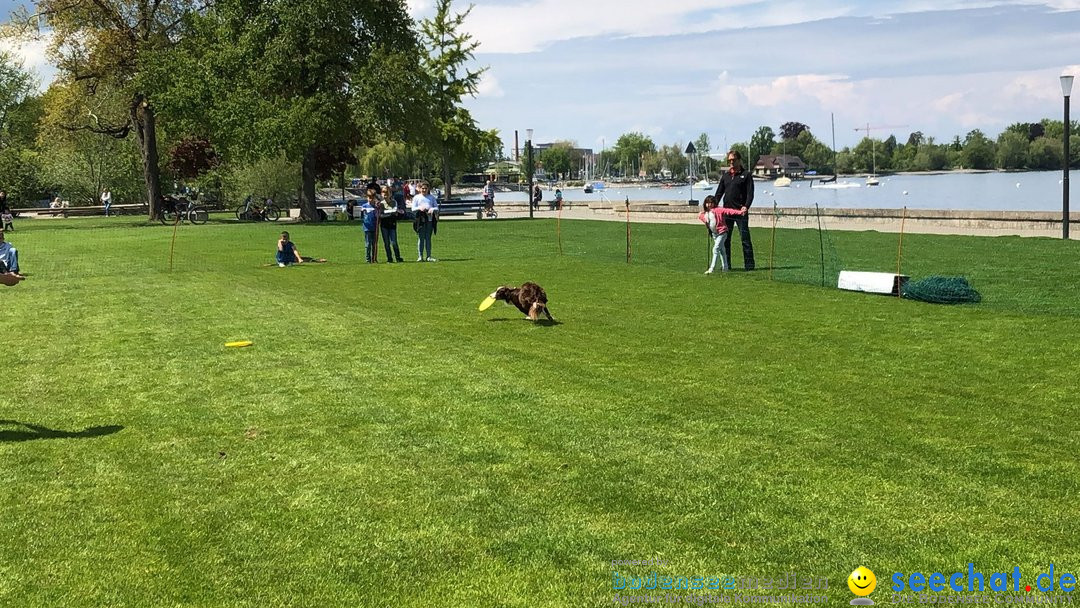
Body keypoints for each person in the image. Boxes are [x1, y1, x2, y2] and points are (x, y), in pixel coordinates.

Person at [714, 149, 755, 270]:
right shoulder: (725, 176)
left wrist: (746, 206)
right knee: (725, 240)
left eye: (733, 160)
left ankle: (749, 266)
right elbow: (719, 194)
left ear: (739, 160)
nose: (731, 162)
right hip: (727, 213)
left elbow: (750, 194)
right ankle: (726, 265)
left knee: (745, 239)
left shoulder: (746, 175)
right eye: (729, 160)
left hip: (740, 212)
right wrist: (712, 207)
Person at [698, 195, 746, 274]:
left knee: (715, 249)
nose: (709, 205)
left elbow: (729, 211)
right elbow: (702, 218)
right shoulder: (706, 213)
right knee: (722, 251)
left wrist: (740, 212)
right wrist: (702, 215)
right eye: (707, 203)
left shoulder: (718, 210)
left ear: (714, 203)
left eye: (711, 203)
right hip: (714, 234)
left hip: (722, 233)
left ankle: (711, 268)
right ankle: (725, 267)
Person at [411, 181, 439, 262]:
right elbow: (413, 208)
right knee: (421, 238)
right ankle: (420, 256)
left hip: (429, 220)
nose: (424, 190)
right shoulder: (416, 197)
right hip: (420, 220)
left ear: (428, 189)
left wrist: (432, 209)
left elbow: (436, 208)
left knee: (428, 238)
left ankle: (429, 256)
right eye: (422, 188)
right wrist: (420, 208)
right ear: (420, 189)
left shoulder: (431, 197)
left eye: (425, 188)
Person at [379, 186, 404, 262]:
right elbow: (381, 215)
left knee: (394, 242)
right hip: (384, 226)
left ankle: (398, 257)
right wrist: (390, 213)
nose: (385, 194)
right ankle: (389, 258)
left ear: (390, 194)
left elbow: (395, 212)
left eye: (387, 192)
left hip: (392, 225)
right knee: (386, 243)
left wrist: (388, 213)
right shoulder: (380, 204)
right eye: (383, 192)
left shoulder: (394, 202)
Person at [361, 189, 379, 263]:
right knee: (368, 244)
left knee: (374, 244)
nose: (370, 199)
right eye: (369, 197)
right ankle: (368, 258)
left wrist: (377, 208)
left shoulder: (376, 206)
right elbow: (362, 215)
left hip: (375, 227)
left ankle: (374, 258)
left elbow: (378, 215)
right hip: (367, 228)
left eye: (372, 197)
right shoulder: (364, 206)